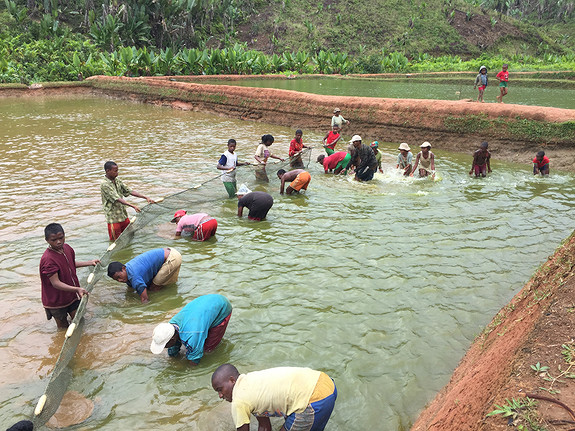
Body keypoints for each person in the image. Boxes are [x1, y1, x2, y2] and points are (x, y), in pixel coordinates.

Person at [212, 364, 337, 431]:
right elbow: (265, 427)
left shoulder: (239, 400)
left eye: (220, 389)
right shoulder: (252, 382)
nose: (220, 396)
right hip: (326, 384)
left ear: (232, 380)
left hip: (313, 401)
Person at [40, 223, 99, 329]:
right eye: (54, 240)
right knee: (63, 328)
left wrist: (90, 262)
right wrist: (77, 289)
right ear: (47, 240)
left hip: (71, 296)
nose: (58, 242)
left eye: (61, 238)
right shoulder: (48, 259)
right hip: (56, 300)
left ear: (64, 235)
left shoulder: (67, 249)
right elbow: (55, 283)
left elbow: (70, 264)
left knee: (79, 321)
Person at [150, 294, 232, 365]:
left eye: (164, 345)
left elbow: (195, 360)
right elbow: (173, 346)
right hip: (205, 303)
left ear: (172, 339)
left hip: (222, 306)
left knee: (207, 349)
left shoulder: (192, 334)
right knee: (197, 340)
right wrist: (173, 358)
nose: (164, 348)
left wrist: (188, 369)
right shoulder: (171, 326)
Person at [100, 161, 156, 241]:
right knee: (115, 242)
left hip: (123, 216)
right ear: (108, 171)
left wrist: (145, 197)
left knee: (130, 236)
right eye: (115, 171)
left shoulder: (117, 180)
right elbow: (117, 198)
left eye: (117, 171)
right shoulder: (104, 184)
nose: (117, 173)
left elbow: (129, 191)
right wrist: (133, 206)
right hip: (113, 219)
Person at [107, 247, 182, 303]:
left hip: (172, 258)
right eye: (116, 279)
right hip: (169, 251)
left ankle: (165, 299)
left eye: (119, 277)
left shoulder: (134, 277)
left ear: (123, 268)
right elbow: (130, 287)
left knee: (153, 288)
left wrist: (144, 312)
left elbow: (145, 300)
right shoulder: (127, 269)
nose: (120, 280)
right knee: (150, 286)